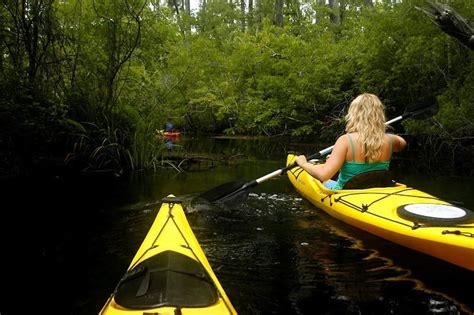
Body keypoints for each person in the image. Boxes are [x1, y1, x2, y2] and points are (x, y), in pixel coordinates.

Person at [295, 93, 407, 190]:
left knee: (318, 179)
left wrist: (303, 163)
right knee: (331, 165)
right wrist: (380, 131)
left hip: (346, 193)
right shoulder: (390, 140)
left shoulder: (345, 141)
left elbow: (324, 175)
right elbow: (402, 144)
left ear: (354, 114)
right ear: (379, 115)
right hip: (377, 191)